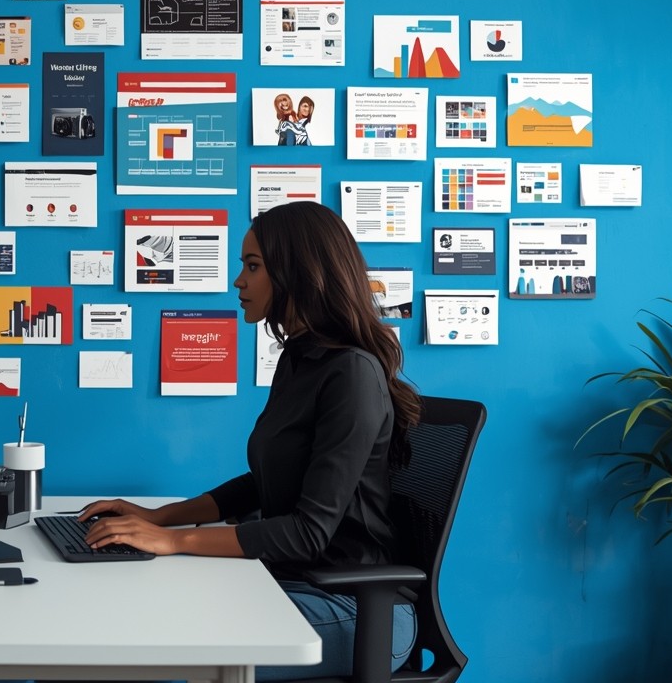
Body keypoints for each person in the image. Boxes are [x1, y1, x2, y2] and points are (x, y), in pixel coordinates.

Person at [81, 201, 420, 680]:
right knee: (113, 617)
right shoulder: (300, 360)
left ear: (298, 273)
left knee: (141, 648)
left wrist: (174, 541)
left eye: (253, 266)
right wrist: (156, 518)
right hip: (290, 582)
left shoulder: (352, 375)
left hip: (355, 608)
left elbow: (308, 532)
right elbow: (261, 483)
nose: (238, 280)